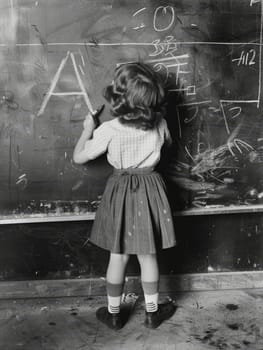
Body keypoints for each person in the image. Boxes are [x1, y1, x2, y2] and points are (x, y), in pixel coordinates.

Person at [73, 62, 176, 330]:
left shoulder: (109, 129)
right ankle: (153, 312)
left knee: (117, 257)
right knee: (148, 255)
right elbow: (167, 144)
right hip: (151, 189)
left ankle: (114, 314)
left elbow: (79, 157)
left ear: (118, 97)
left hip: (120, 191)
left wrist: (87, 128)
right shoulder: (160, 123)